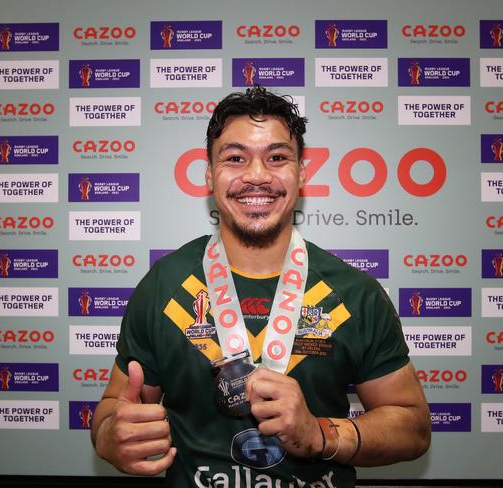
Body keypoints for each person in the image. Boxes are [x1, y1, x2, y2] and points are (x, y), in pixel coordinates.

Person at [91, 86, 431, 487]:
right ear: (208, 173)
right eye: (235, 158)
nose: (256, 176)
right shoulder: (165, 285)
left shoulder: (354, 293)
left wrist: (322, 434)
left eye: (277, 158)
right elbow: (113, 409)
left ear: (302, 172)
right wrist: (110, 435)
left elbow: (413, 426)